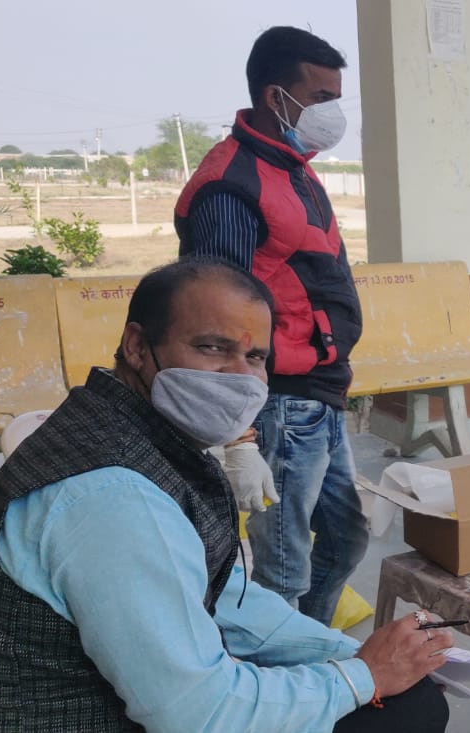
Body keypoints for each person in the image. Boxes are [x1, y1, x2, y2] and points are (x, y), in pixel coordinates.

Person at [0, 260, 450, 732]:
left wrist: (352, 653)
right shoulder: (114, 495)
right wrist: (361, 676)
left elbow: (220, 595)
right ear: (137, 346)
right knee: (406, 711)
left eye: (256, 356)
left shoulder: (126, 431)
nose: (240, 377)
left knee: (400, 693)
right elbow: (201, 715)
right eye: (213, 348)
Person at [175, 26, 366, 624]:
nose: (332, 114)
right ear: (274, 96)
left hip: (320, 393)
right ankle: (281, 673)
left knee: (344, 541)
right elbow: (213, 319)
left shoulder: (292, 169)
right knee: (284, 567)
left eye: (336, 98)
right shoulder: (232, 187)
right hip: (277, 404)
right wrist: (238, 440)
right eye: (320, 98)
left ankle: (311, 649)